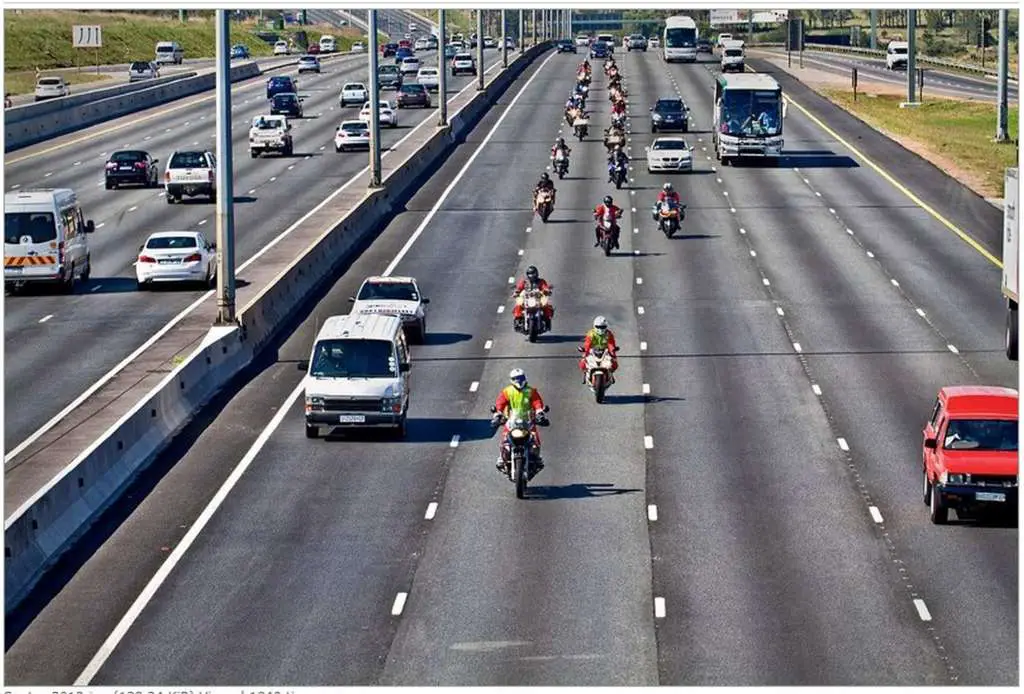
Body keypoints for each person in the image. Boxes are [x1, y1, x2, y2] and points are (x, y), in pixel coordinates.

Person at [492, 368, 547, 472]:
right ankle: (501, 457)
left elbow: (537, 402)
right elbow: (500, 403)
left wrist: (539, 412)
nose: (519, 381)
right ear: (511, 380)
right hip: (512, 421)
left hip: (528, 421)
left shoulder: (531, 391)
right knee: (504, 439)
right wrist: (497, 414)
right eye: (516, 379)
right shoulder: (507, 391)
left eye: (521, 378)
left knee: (535, 440)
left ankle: (537, 458)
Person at [578, 316, 619, 383]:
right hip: (592, 351)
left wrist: (613, 351)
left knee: (614, 364)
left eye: (602, 327)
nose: (600, 329)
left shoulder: (608, 334)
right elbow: (587, 344)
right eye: (598, 327)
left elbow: (611, 344)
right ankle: (586, 374)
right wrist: (585, 351)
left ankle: (610, 375)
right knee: (582, 364)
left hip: (605, 351)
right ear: (594, 326)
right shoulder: (591, 334)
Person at [511, 265, 554, 330]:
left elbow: (545, 287)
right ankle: (518, 320)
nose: (531, 276)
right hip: (527, 298)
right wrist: (516, 292)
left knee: (545, 305)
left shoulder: (541, 281)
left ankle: (547, 321)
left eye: (533, 273)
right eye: (530, 274)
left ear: (536, 273)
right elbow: (519, 288)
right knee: (519, 304)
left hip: (537, 299)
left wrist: (547, 291)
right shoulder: (524, 282)